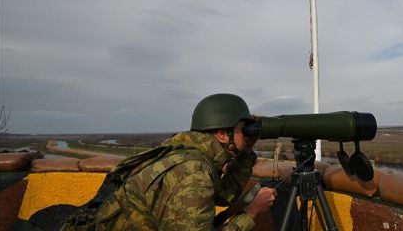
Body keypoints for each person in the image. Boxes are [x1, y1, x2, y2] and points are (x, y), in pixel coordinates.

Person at [88, 93, 276, 230]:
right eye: (244, 129)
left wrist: (245, 152)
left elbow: (223, 196)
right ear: (222, 134)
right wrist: (250, 213)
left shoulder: (194, 156)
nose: (248, 133)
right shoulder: (191, 171)